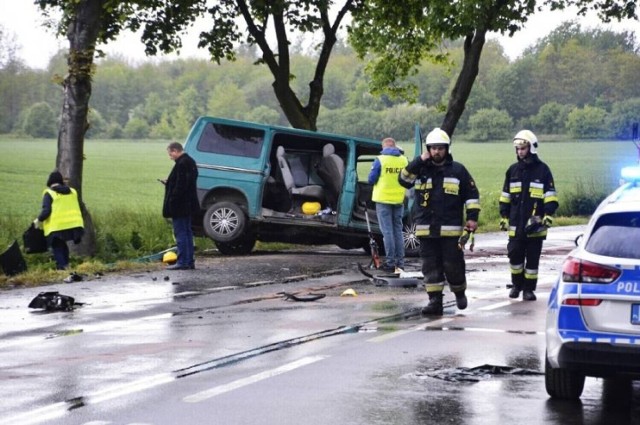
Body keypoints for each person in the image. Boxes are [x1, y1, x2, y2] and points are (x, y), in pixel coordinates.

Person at [399, 128, 480, 316]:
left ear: (447, 149)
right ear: (428, 149)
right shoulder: (420, 170)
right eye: (433, 148)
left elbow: (472, 196)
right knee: (430, 267)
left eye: (440, 148)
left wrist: (472, 219)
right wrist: (419, 160)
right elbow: (403, 180)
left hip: (450, 231)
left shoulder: (458, 170)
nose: (437, 152)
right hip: (426, 230)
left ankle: (459, 292)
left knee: (453, 265)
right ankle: (435, 302)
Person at [499, 130, 558, 301]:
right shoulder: (512, 171)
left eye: (523, 148)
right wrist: (504, 216)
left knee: (532, 261)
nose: (520, 152)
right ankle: (517, 285)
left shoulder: (543, 170)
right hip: (516, 224)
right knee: (515, 256)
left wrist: (548, 214)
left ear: (531, 148)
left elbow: (550, 195)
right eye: (517, 149)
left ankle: (529, 290)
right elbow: (505, 196)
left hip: (535, 225)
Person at [368, 137, 409, 273]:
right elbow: (408, 178)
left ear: (384, 147)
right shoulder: (403, 160)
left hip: (383, 200)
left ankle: (390, 263)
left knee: (387, 232)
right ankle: (400, 263)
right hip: (398, 200)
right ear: (395, 146)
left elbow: (371, 179)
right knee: (398, 231)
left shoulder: (380, 160)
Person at [34, 171, 84, 270]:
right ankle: (66, 266)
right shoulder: (73, 191)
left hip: (57, 226)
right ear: (61, 181)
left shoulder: (49, 193)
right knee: (62, 245)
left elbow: (46, 210)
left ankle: (62, 268)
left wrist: (38, 220)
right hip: (73, 224)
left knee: (57, 246)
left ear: (50, 182)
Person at [162, 142, 199, 270]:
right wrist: (170, 182)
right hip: (189, 204)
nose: (170, 156)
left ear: (175, 151)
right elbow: (185, 181)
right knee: (188, 232)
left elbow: (181, 185)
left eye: (170, 153)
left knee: (181, 233)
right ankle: (189, 261)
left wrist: (173, 198)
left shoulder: (182, 163)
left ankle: (183, 261)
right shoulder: (191, 161)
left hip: (180, 205)